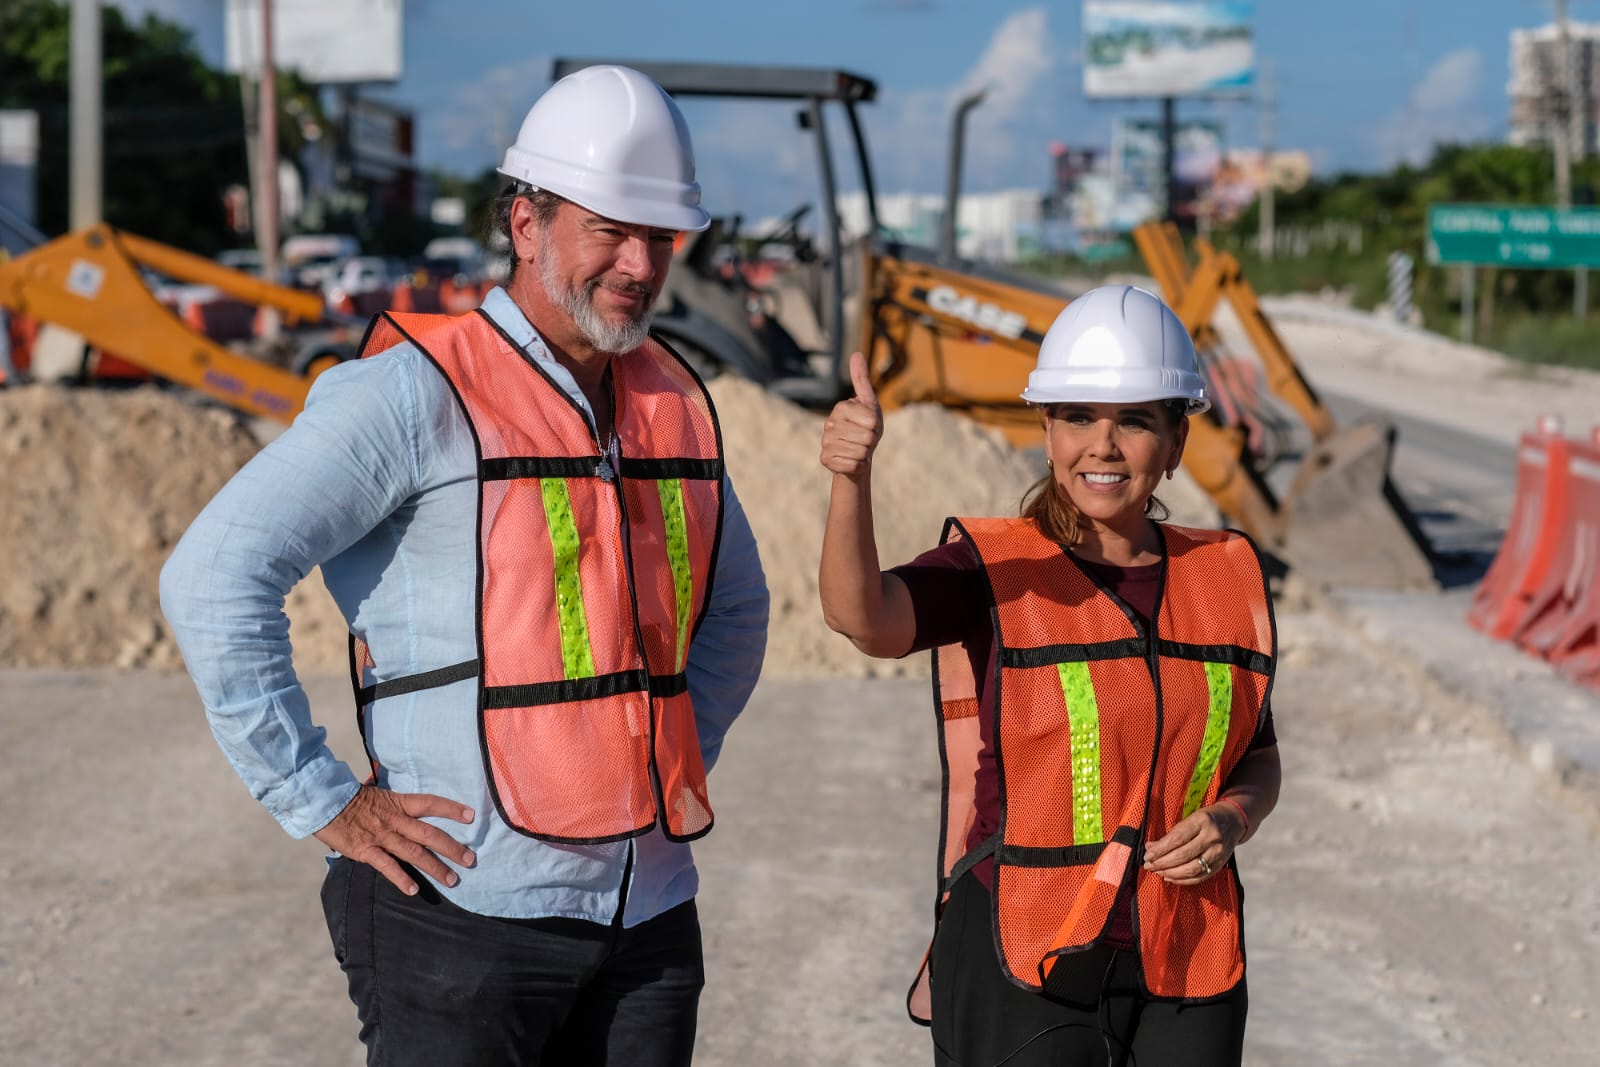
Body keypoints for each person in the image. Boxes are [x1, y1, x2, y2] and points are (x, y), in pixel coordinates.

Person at [160, 64, 769, 1067]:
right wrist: (320, 797)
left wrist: (662, 750)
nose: (637, 260)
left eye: (658, 234)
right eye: (607, 227)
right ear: (525, 223)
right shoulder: (410, 395)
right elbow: (216, 575)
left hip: (649, 914)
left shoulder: (666, 399)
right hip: (463, 916)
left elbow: (736, 603)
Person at [818, 284, 1281, 1067]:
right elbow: (866, 617)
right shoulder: (993, 567)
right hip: (1023, 950)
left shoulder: (1226, 576)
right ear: (1046, 429)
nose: (1101, 444)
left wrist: (1233, 819)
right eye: (1077, 417)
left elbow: (1258, 756)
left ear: (1175, 440)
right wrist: (850, 480)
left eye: (1134, 421)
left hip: (1187, 955)